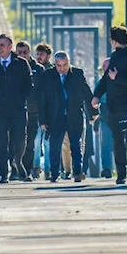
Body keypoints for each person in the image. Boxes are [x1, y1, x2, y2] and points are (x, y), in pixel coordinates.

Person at [39, 51, 97, 183]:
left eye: (65, 65)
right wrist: (43, 120)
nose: (62, 68)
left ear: (69, 62)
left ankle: (77, 172)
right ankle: (54, 173)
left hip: (74, 114)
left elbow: (87, 93)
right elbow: (42, 99)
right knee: (55, 145)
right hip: (55, 116)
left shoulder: (77, 74)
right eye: (59, 65)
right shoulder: (48, 76)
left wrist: (93, 112)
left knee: (76, 145)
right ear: (55, 64)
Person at [0, 34, 33, 183]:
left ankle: (18, 161)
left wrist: (21, 99)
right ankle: (3, 174)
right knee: (1, 141)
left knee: (20, 138)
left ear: (10, 47)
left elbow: (28, 85)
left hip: (18, 109)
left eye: (2, 45)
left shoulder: (21, 64)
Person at [93, 26, 127, 184]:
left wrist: (118, 77)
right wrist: (97, 95)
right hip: (115, 107)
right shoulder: (116, 56)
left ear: (113, 41)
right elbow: (106, 78)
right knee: (118, 140)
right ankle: (122, 173)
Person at [17, 41, 45, 179]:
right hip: (16, 110)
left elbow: (43, 92)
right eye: (19, 53)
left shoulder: (38, 69)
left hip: (34, 111)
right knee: (16, 141)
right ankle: (15, 169)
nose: (22, 55)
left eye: (25, 52)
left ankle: (27, 170)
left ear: (29, 53)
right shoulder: (12, 67)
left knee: (30, 142)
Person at [33, 42, 53, 179]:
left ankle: (48, 169)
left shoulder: (52, 70)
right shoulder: (34, 69)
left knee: (48, 142)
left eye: (42, 54)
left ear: (48, 55)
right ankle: (35, 167)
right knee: (36, 139)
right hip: (36, 110)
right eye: (38, 54)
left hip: (49, 110)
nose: (39, 56)